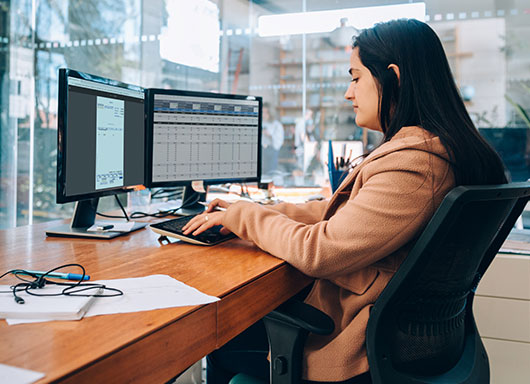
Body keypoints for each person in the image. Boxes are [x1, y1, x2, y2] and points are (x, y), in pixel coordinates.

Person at [183, 19, 506, 384]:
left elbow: (318, 252)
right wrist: (261, 211)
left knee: (222, 345)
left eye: (355, 78)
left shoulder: (417, 165)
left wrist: (247, 217)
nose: (348, 94)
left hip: (356, 348)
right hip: (403, 344)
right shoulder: (438, 151)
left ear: (393, 78)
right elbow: (342, 215)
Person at [261, 103, 284, 175]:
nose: (263, 115)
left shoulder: (277, 125)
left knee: (271, 173)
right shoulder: (260, 123)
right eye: (262, 112)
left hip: (271, 151)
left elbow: (279, 140)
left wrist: (270, 135)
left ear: (270, 113)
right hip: (261, 151)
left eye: (266, 112)